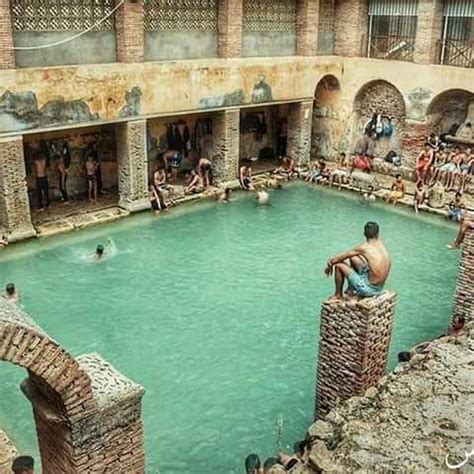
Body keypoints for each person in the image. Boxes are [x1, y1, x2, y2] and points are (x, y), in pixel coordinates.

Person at [324, 221, 391, 300]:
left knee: (338, 265)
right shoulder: (381, 244)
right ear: (378, 234)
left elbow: (340, 257)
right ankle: (350, 289)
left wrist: (330, 264)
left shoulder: (364, 248)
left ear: (364, 234)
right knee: (353, 258)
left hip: (368, 289)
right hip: (379, 287)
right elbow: (350, 255)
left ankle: (338, 295)